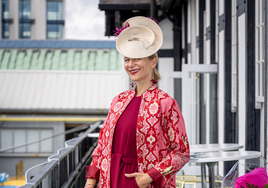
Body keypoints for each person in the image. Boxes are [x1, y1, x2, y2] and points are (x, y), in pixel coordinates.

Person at [84, 16, 190, 188]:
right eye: (127, 59)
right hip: (110, 179)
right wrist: (91, 180)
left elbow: (181, 153)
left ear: (153, 61)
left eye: (137, 58)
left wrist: (149, 176)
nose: (130, 64)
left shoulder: (165, 103)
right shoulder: (118, 101)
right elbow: (102, 145)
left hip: (142, 182)